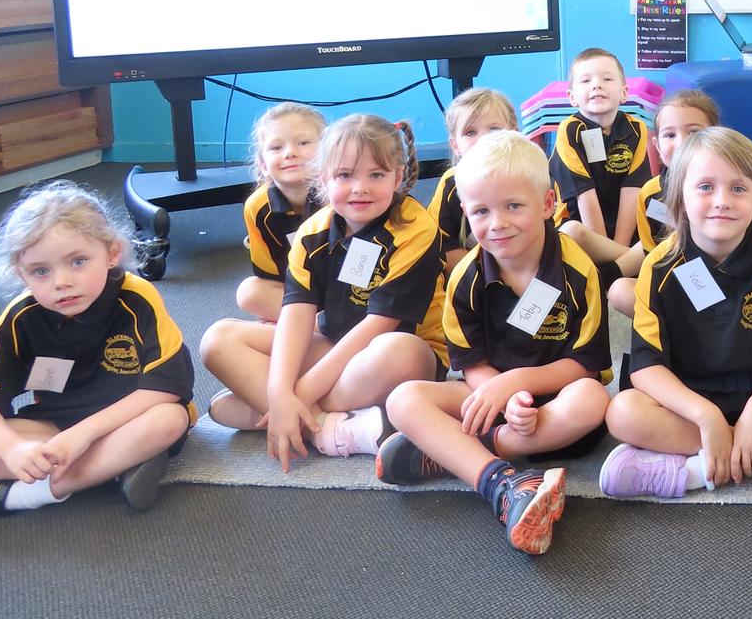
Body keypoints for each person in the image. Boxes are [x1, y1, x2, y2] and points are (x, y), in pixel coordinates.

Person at [379, 131, 609, 554]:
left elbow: (586, 365)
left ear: (547, 204)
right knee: (403, 400)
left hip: (556, 409)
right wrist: (500, 396)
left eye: (514, 206)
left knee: (594, 399)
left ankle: (454, 452)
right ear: (465, 212)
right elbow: (470, 363)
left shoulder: (578, 271)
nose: (497, 223)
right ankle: (503, 483)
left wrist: (517, 384)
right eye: (481, 211)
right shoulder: (465, 277)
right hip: (488, 398)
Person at [600, 127, 752, 499]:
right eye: (705, 187)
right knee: (622, 412)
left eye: (738, 188)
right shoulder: (658, 266)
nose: (722, 200)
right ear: (679, 199)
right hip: (686, 402)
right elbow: (647, 368)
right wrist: (706, 416)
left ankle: (692, 472)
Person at [199, 114, 447, 472]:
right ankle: (332, 429)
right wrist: (280, 392)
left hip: (399, 356)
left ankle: (282, 414)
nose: (359, 187)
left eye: (375, 175)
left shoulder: (415, 227)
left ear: (397, 176)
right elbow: (297, 315)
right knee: (217, 339)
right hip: (334, 347)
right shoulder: (312, 232)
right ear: (323, 178)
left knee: (398, 350)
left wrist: (291, 397)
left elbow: (378, 326)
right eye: (345, 175)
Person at [0, 181, 194, 512]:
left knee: (169, 420)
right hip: (53, 425)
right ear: (21, 273)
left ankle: (31, 493)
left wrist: (82, 436)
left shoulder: (137, 297)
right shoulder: (19, 318)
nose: (61, 282)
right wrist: (14, 450)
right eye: (40, 271)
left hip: (129, 419)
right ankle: (115, 466)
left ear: (111, 253)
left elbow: (166, 388)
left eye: (78, 261)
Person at [560, 88, 720, 316]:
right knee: (619, 290)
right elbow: (652, 253)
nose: (682, 143)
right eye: (670, 135)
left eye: (693, 132)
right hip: (672, 275)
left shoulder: (728, 185)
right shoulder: (651, 193)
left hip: (725, 278)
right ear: (657, 145)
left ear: (716, 135)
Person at [548, 47, 652, 246]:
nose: (597, 85)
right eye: (586, 81)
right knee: (572, 231)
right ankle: (621, 264)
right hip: (581, 225)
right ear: (572, 97)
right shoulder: (570, 130)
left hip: (625, 227)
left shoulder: (636, 128)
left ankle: (620, 264)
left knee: (663, 228)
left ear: (624, 92)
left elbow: (632, 190)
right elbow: (584, 195)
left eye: (607, 79)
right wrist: (606, 249)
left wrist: (619, 245)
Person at [237, 102, 326, 322]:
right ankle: (315, 327)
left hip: (353, 293)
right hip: (304, 294)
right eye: (276, 148)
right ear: (263, 164)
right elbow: (271, 277)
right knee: (249, 292)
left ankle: (315, 328)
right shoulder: (257, 207)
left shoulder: (341, 197)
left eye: (303, 143)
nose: (290, 153)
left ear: (327, 151)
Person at [428, 87, 519, 272]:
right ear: (455, 145)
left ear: (514, 134)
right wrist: (489, 272)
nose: (483, 139)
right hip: (470, 279)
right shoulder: (451, 183)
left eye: (494, 129)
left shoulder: (526, 178)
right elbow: (437, 246)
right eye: (470, 133)